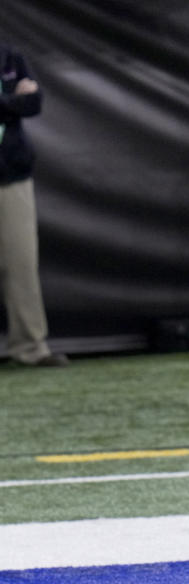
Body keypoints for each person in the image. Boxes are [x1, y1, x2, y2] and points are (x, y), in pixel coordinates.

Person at [0, 45, 67, 367]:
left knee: (20, 262)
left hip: (11, 175)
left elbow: (34, 103)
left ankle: (29, 348)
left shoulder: (11, 58)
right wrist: (12, 101)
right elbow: (20, 103)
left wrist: (13, 103)